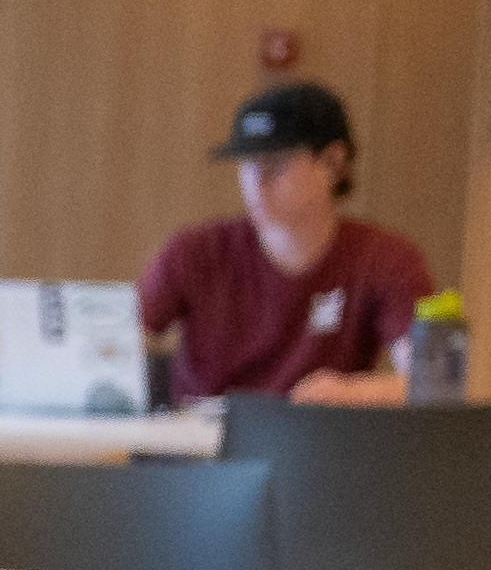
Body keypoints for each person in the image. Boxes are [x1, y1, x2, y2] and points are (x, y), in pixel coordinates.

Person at [139, 79, 426, 408]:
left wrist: (351, 393)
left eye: (275, 165)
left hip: (312, 449)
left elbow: (428, 385)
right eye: (247, 164)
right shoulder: (194, 251)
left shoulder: (384, 258)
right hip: (200, 453)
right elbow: (111, 347)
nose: (256, 183)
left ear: (333, 162)